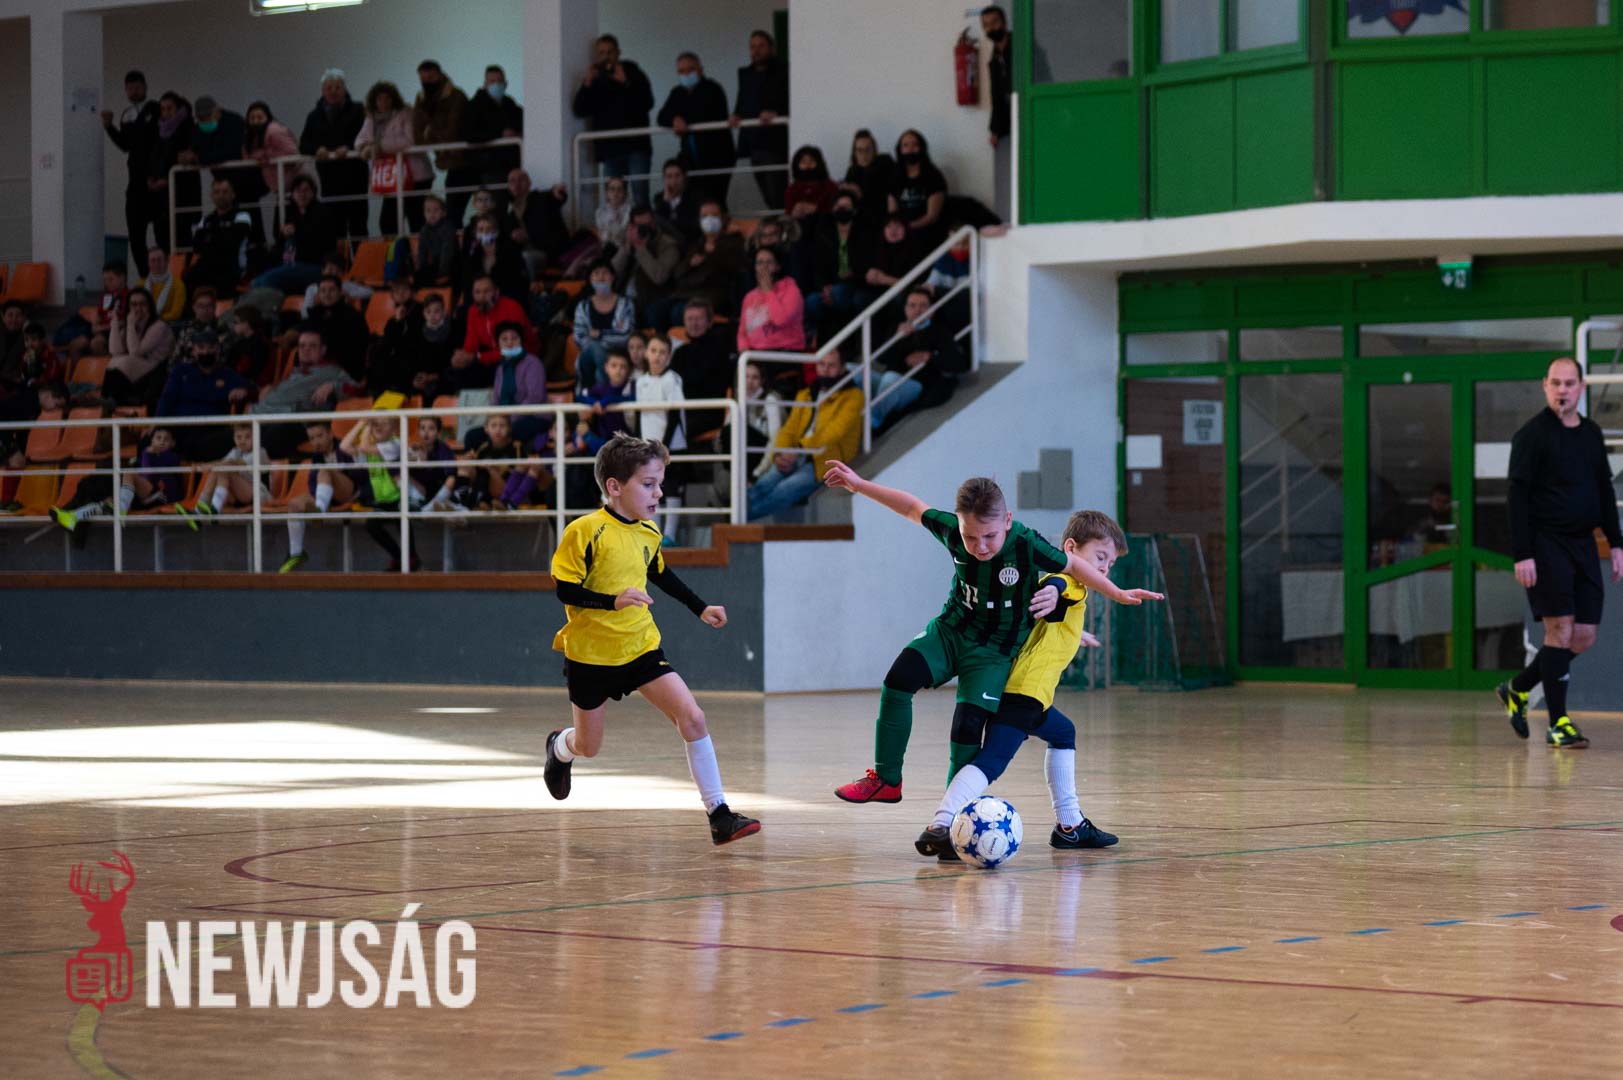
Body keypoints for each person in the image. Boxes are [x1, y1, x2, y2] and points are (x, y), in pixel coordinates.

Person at [822, 469, 1159, 802]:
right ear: (959, 523)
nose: (980, 546)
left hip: (994, 652)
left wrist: (1116, 592)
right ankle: (886, 779)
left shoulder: (1026, 543)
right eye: (971, 537)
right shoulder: (951, 530)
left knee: (967, 727)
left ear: (1007, 521)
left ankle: (956, 812)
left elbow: (1070, 567)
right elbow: (912, 507)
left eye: (990, 536)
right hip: (951, 632)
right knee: (897, 682)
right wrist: (860, 485)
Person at [543, 431, 760, 846]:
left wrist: (700, 607)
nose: (658, 493)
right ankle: (560, 748)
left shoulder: (648, 531)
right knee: (589, 745)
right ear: (614, 487)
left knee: (693, 717)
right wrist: (612, 601)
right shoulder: (584, 531)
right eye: (648, 484)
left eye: (660, 483)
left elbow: (660, 573)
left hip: (640, 646)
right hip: (591, 655)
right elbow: (565, 589)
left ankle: (719, 814)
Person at [914, 509, 1127, 860]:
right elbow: (1059, 586)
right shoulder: (1069, 582)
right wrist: (1055, 591)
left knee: (1063, 732)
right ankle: (941, 823)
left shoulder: (1058, 591)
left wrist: (1075, 632)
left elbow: (1042, 614)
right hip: (1024, 693)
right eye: (1100, 557)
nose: (1104, 568)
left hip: (1024, 692)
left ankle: (1070, 826)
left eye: (1111, 563)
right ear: (1071, 549)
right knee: (992, 762)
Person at [1497, 356, 1623, 750]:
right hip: (1545, 543)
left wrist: (1616, 542)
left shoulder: (1591, 434)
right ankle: (1558, 723)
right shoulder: (1531, 436)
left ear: (1581, 388)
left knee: (1583, 636)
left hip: (1583, 544)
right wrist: (1523, 553)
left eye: (1569, 384)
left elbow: (1603, 489)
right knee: (1559, 630)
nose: (1562, 390)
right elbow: (1516, 498)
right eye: (1556, 383)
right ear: (1545, 386)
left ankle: (1517, 688)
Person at [747, 349, 860, 522]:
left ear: (842, 368)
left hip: (824, 460)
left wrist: (799, 450)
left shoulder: (854, 397)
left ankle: (737, 523)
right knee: (762, 485)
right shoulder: (805, 394)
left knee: (782, 491)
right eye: (821, 364)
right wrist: (780, 452)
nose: (825, 370)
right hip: (796, 453)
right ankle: (735, 520)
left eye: (831, 365)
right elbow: (789, 429)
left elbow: (833, 433)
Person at [572, 35, 656, 205]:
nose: (606, 56)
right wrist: (587, 83)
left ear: (618, 53)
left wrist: (626, 83)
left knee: (640, 194)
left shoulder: (633, 72)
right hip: (610, 150)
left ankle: (643, 222)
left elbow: (648, 102)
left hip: (636, 146)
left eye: (610, 52)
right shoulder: (595, 80)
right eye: (601, 53)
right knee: (613, 199)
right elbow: (579, 110)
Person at [250, 327, 357, 457]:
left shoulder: (332, 371)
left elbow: (357, 389)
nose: (306, 349)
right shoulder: (294, 373)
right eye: (302, 346)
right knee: (229, 436)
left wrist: (333, 386)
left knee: (267, 438)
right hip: (260, 417)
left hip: (294, 423)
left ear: (323, 350)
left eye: (312, 346)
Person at [279, 418, 368, 573]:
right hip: (327, 497)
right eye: (312, 438)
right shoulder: (317, 456)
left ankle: (320, 510)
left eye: (319, 436)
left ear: (330, 434)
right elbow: (313, 485)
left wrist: (335, 475)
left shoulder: (345, 447)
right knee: (294, 504)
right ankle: (296, 553)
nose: (316, 442)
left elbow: (361, 475)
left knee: (326, 470)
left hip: (351, 493)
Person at [869, 286, 964, 430]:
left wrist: (929, 357)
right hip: (892, 380)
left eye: (923, 306)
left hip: (916, 384)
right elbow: (882, 359)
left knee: (890, 378)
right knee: (852, 370)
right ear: (905, 309)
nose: (917, 310)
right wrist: (896, 338)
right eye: (912, 306)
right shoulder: (897, 328)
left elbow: (958, 363)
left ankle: (870, 424)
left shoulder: (939, 331)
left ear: (932, 310)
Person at [156, 327, 251, 462]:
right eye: (201, 348)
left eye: (211, 348)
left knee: (228, 439)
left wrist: (244, 391)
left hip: (211, 430)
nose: (206, 352)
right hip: (179, 427)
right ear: (194, 350)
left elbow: (251, 389)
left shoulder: (227, 374)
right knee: (149, 441)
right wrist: (158, 425)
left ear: (218, 349)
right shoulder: (180, 371)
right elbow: (166, 399)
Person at [341, 412, 421, 571]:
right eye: (376, 423)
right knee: (371, 526)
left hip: (401, 497)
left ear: (393, 429)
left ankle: (411, 557)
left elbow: (364, 447)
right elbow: (344, 446)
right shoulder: (370, 449)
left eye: (385, 423)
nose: (379, 427)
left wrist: (368, 425)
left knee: (402, 520)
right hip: (383, 500)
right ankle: (399, 557)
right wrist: (361, 423)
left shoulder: (395, 444)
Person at [102, 70, 163, 267]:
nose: (134, 92)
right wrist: (109, 127)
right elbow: (125, 145)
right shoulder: (126, 115)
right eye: (130, 89)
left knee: (162, 233)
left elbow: (157, 141)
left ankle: (165, 273)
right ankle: (145, 275)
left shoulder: (156, 109)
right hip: (135, 182)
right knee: (136, 236)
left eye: (137, 87)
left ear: (145, 87)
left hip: (156, 180)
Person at [300, 69, 369, 239]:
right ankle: (338, 257)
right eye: (329, 88)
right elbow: (304, 144)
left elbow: (367, 136)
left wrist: (350, 148)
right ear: (322, 91)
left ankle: (360, 257)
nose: (333, 91)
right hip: (329, 179)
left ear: (345, 89)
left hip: (355, 176)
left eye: (337, 87)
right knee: (335, 227)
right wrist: (317, 149)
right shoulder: (314, 116)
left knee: (358, 225)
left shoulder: (358, 110)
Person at [356, 81, 432, 235]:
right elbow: (360, 140)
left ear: (394, 99)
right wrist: (365, 148)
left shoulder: (406, 113)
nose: (383, 102)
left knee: (416, 219)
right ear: (374, 101)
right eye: (379, 99)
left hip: (415, 176)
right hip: (391, 178)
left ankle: (419, 250)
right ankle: (396, 250)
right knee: (388, 223)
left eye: (387, 98)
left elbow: (409, 140)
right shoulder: (371, 118)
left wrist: (380, 147)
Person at [656, 52, 732, 205]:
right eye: (681, 71)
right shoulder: (677, 92)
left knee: (715, 201)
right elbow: (661, 117)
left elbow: (709, 114)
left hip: (717, 156)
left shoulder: (713, 89)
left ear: (700, 70)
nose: (686, 74)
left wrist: (682, 119)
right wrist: (674, 119)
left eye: (690, 70)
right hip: (690, 159)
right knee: (692, 201)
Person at [661, 199, 745, 327]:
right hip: (686, 293)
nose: (709, 220)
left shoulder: (733, 242)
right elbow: (677, 272)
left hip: (712, 294)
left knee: (678, 312)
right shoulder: (696, 244)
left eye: (714, 215)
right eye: (704, 216)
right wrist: (690, 264)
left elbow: (735, 267)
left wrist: (714, 252)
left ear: (723, 218)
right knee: (657, 310)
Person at [732, 30, 790, 211]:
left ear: (771, 48)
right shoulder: (745, 74)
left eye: (761, 46)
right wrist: (736, 115)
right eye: (752, 46)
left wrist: (776, 113)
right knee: (766, 195)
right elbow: (742, 101)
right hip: (753, 143)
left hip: (775, 143)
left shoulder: (784, 71)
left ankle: (781, 224)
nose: (756, 51)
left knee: (778, 194)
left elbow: (792, 101)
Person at [807, 189, 877, 337]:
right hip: (831, 285)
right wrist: (824, 287)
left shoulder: (865, 233)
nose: (842, 210)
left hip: (858, 284)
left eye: (846, 206)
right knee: (812, 301)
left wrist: (851, 277)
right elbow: (818, 265)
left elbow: (868, 265)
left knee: (843, 294)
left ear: (855, 210)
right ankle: (817, 340)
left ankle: (846, 338)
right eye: (838, 206)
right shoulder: (824, 233)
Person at [255, 175, 338, 294]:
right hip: (290, 265)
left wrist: (297, 232)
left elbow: (318, 243)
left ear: (313, 193)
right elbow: (279, 243)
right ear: (293, 194)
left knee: (267, 281)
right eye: (298, 191)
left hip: (314, 265)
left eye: (306, 190)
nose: (302, 194)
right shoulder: (291, 213)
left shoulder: (322, 213)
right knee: (256, 282)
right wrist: (283, 234)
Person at [448, 274, 532, 392]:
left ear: (496, 293)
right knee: (458, 372)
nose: (482, 297)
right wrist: (462, 358)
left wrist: (478, 357)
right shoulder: (473, 312)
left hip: (520, 356)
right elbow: (470, 346)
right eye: (477, 292)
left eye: (486, 291)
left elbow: (513, 350)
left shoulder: (511, 308)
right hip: (493, 358)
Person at [413, 60, 472, 224]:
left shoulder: (457, 96)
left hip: (466, 161)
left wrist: (430, 132)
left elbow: (453, 132)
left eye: (431, 77)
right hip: (451, 161)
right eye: (423, 79)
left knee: (454, 212)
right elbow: (416, 133)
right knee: (453, 212)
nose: (427, 82)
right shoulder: (422, 98)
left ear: (439, 75)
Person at [185, 177, 262, 296]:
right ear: (212, 196)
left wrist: (211, 237)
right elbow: (197, 246)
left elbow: (231, 243)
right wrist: (222, 234)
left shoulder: (242, 216)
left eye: (225, 192)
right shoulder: (206, 219)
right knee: (188, 277)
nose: (221, 195)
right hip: (207, 266)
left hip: (231, 268)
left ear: (233, 195)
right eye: (217, 192)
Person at [670, 299, 733, 441]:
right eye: (690, 319)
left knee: (676, 431)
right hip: (683, 411)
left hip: (708, 412)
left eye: (699, 319)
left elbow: (704, 382)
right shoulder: (680, 352)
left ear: (709, 322)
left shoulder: (720, 349)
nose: (694, 323)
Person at [611, 206, 684, 328]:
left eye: (649, 224)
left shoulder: (668, 245)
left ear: (654, 222)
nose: (646, 229)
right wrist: (626, 247)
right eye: (640, 226)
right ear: (632, 226)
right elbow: (612, 272)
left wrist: (641, 249)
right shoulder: (630, 240)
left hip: (651, 299)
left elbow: (659, 277)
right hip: (624, 297)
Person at [105, 288, 174, 407]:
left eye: (142, 304)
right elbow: (115, 351)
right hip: (137, 373)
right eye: (134, 304)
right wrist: (114, 323)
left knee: (125, 362)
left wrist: (131, 324)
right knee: (114, 361)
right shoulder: (131, 324)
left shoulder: (159, 326)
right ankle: (108, 403)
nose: (138, 308)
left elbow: (135, 352)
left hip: (157, 373)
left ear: (149, 306)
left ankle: (109, 403)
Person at [463, 64, 524, 198]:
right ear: (485, 84)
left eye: (499, 81)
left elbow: (522, 120)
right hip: (491, 167)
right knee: (497, 202)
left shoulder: (509, 103)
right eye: (492, 81)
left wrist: (517, 133)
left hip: (513, 164)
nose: (496, 85)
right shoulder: (474, 106)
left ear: (506, 84)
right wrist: (499, 135)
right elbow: (469, 135)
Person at [572, 261, 635, 392]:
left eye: (605, 273)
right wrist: (611, 336)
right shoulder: (583, 306)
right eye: (596, 273)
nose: (601, 277)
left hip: (618, 356)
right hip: (587, 359)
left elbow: (626, 336)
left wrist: (600, 335)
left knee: (599, 373)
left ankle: (593, 396)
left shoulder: (625, 304)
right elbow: (578, 337)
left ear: (613, 277)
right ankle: (609, 394)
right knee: (593, 347)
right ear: (590, 278)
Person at [191, 422, 273, 519]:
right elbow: (221, 462)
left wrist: (209, 465)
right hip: (237, 497)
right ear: (233, 438)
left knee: (225, 467)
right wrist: (203, 465)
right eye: (239, 437)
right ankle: (200, 509)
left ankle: (213, 507)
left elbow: (235, 463)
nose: (242, 441)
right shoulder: (236, 451)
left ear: (256, 437)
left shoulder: (261, 452)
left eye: (247, 437)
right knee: (218, 470)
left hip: (258, 496)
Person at [147, 91, 193, 253]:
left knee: (181, 240)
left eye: (169, 108)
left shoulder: (187, 128)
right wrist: (151, 177)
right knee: (162, 240)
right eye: (163, 109)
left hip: (180, 193)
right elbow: (154, 157)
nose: (166, 113)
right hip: (159, 197)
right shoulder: (159, 130)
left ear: (178, 109)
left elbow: (184, 160)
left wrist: (167, 179)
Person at [737, 247, 805, 358]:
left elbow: (780, 320)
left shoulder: (791, 290)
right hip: (754, 354)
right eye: (759, 263)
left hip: (785, 353)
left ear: (778, 266)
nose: (764, 267)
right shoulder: (749, 296)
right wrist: (744, 352)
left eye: (769, 262)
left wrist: (768, 291)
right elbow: (743, 332)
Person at [504, 169, 572, 277]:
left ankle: (531, 286)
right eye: (512, 181)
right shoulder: (510, 211)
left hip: (551, 253)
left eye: (521, 180)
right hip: (524, 252)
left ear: (529, 183)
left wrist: (558, 193)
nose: (516, 184)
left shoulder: (541, 199)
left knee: (526, 257)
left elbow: (555, 197)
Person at [889, 129, 949, 251]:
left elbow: (932, 216)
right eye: (905, 145)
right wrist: (896, 228)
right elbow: (892, 211)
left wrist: (908, 227)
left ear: (922, 148)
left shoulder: (934, 176)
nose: (910, 149)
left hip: (927, 234)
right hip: (901, 233)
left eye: (914, 145)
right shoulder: (894, 176)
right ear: (900, 150)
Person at [303, 275, 371, 380]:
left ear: (340, 292)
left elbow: (357, 350)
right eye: (323, 291)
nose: (327, 294)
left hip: (342, 371)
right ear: (318, 294)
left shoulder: (353, 316)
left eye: (332, 290)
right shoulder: (315, 314)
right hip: (315, 368)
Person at [982, 4, 1014, 221]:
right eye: (986, 25)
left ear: (1004, 22)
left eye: (994, 22)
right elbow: (996, 96)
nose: (990, 28)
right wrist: (995, 129)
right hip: (1008, 118)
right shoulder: (994, 57)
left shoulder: (1020, 49)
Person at [458, 211, 530, 307]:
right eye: (481, 229)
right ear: (476, 233)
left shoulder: (509, 252)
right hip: (480, 304)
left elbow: (517, 284)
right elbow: (468, 286)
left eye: (488, 229)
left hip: (506, 301)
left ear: (496, 232)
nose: (484, 232)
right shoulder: (472, 256)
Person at [242, 100, 300, 204]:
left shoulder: (274, 130)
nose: (256, 121)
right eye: (252, 118)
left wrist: (266, 156)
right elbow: (247, 155)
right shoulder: (250, 135)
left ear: (267, 117)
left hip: (293, 183)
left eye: (259, 117)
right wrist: (259, 156)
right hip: (279, 185)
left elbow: (292, 152)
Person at [841, 129, 896, 227]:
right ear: (854, 152)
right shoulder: (852, 171)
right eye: (860, 150)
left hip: (884, 218)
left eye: (868, 149)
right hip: (861, 220)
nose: (864, 154)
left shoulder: (884, 162)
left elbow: (892, 191)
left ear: (874, 150)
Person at [653, 159, 701, 243]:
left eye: (677, 176)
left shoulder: (694, 196)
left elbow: (691, 225)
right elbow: (658, 223)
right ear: (664, 179)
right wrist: (666, 201)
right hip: (666, 243)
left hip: (688, 240)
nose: (673, 181)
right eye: (669, 176)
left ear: (684, 177)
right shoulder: (659, 198)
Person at [415, 194, 459, 284]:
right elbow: (422, 252)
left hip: (452, 264)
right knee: (419, 276)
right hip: (436, 264)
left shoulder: (448, 228)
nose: (432, 214)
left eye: (436, 210)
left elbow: (447, 252)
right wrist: (421, 269)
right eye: (428, 210)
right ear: (424, 214)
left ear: (443, 213)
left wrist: (442, 272)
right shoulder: (424, 230)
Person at [784, 145, 838, 220]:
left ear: (819, 163)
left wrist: (817, 209)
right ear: (797, 165)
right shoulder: (791, 190)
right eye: (803, 162)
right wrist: (795, 212)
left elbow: (835, 212)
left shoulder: (830, 186)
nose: (807, 165)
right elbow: (788, 215)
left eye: (811, 161)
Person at [138, 247, 187, 323]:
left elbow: (176, 314)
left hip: (168, 325)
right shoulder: (141, 284)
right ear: (148, 263)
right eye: (153, 260)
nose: (156, 263)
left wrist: (154, 319)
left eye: (159, 260)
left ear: (167, 261)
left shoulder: (178, 285)